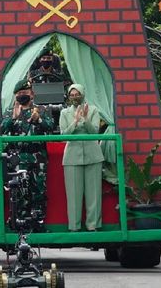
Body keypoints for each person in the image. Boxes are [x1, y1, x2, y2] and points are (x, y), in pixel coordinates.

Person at [0, 79, 54, 230]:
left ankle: (38, 222)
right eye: (19, 93)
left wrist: (39, 120)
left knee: (39, 191)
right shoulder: (10, 112)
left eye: (25, 93)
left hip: (38, 157)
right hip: (18, 158)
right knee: (19, 190)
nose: (22, 95)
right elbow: (1, 130)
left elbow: (50, 127)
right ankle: (19, 223)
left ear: (32, 93)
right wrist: (13, 119)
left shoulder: (42, 110)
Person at [59, 84, 104, 232]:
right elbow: (64, 135)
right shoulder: (65, 113)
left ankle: (93, 226)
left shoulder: (93, 110)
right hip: (72, 156)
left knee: (94, 194)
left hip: (93, 155)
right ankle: (74, 227)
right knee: (73, 194)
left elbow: (95, 132)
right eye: (71, 95)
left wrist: (85, 120)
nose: (74, 97)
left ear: (83, 94)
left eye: (77, 94)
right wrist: (75, 122)